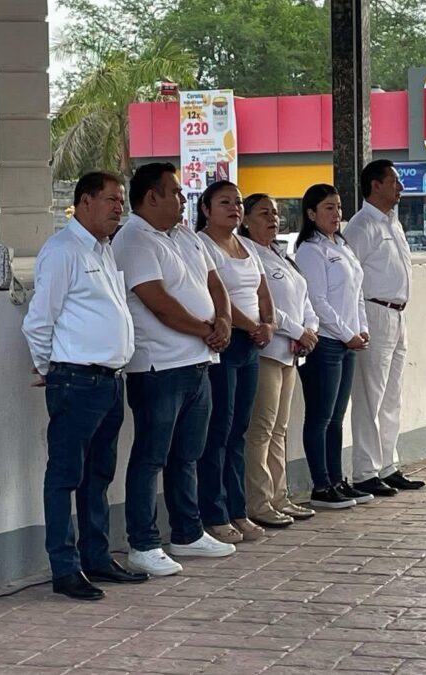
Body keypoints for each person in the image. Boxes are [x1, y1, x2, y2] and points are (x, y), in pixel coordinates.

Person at [21, 171, 148, 602]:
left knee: (98, 475)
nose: (119, 207)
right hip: (75, 379)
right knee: (65, 476)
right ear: (84, 201)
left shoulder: (104, 249)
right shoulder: (63, 251)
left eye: (121, 200)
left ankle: (96, 557)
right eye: (112, 199)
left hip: (109, 382)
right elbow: (39, 320)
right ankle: (65, 567)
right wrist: (50, 368)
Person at [112, 162, 237, 577]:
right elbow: (156, 300)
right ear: (152, 197)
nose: (183, 200)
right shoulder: (133, 238)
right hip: (158, 366)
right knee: (151, 456)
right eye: (176, 193)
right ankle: (143, 543)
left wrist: (223, 321)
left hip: (198, 362)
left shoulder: (183, 234)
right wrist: (207, 329)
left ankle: (187, 531)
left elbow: (215, 282)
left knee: (188, 454)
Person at [195, 181, 275, 543]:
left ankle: (238, 510)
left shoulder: (246, 246)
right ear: (206, 209)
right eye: (224, 202)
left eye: (238, 202)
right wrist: (251, 325)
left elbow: (262, 290)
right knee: (219, 431)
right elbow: (217, 296)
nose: (234, 208)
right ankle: (215, 512)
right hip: (225, 341)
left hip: (251, 345)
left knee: (240, 429)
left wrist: (268, 324)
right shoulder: (203, 245)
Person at [344, 160, 426, 496]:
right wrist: (357, 322)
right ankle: (364, 471)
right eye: (393, 181)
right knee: (370, 396)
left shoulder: (394, 223)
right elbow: (350, 280)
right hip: (374, 312)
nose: (400, 187)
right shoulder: (360, 226)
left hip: (398, 313)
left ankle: (387, 465)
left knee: (393, 396)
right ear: (375, 185)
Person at [240, 193, 319, 526]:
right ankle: (259, 502)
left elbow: (304, 299)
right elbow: (265, 307)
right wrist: (298, 330)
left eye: (274, 213)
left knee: (280, 430)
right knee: (261, 429)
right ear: (245, 220)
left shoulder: (281, 254)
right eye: (262, 214)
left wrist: (309, 329)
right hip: (268, 352)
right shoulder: (248, 254)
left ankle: (279, 496)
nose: (272, 219)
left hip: (290, 353)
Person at [294, 184, 373, 510]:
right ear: (311, 213)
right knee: (320, 416)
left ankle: (337, 479)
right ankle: (321, 484)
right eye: (328, 208)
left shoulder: (341, 245)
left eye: (338, 207)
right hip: (326, 342)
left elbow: (356, 294)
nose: (336, 214)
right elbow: (318, 301)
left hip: (347, 341)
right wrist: (344, 333)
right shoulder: (311, 250)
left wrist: (362, 329)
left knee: (337, 417)